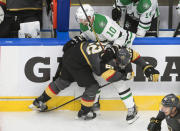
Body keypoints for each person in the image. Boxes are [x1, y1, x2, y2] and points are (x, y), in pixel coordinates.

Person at [29, 40, 159, 123]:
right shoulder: (103, 64)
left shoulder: (117, 50)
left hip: (74, 53)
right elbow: (111, 77)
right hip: (77, 61)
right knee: (92, 86)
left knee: (62, 81)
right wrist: (125, 76)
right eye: (120, 64)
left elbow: (135, 56)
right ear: (115, 59)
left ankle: (39, 101)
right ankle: (84, 112)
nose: (122, 66)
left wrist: (147, 67)